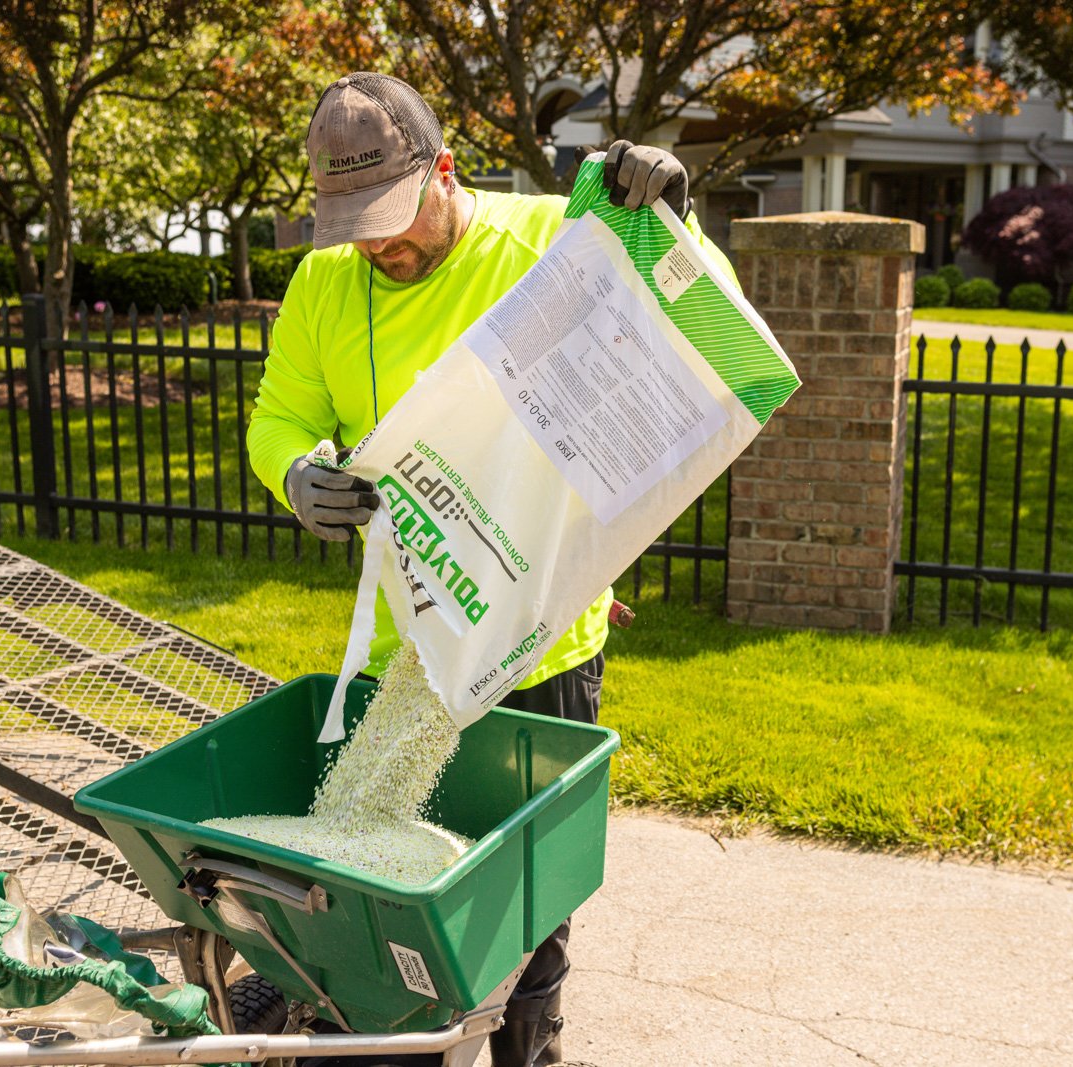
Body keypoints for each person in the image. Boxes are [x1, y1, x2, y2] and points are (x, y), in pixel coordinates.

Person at [247, 71, 733, 1067]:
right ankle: (397, 1031)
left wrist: (672, 224)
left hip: (542, 643)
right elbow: (281, 414)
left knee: (526, 887)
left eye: (391, 214)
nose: (376, 244)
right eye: (351, 221)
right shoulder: (322, 285)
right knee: (396, 878)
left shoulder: (551, 236)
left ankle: (530, 1050)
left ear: (445, 172)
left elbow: (703, 321)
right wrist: (293, 470)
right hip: (411, 644)